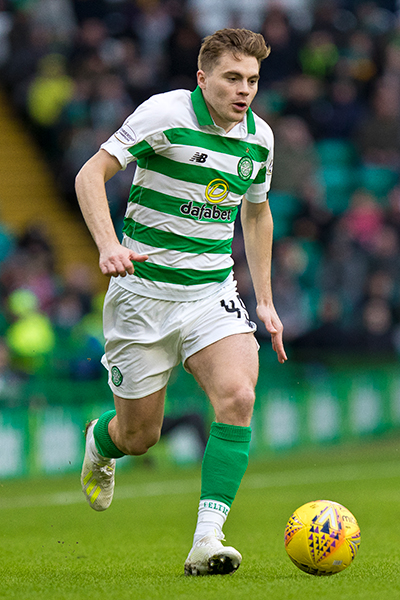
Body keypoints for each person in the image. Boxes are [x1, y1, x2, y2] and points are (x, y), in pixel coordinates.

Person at [75, 27, 287, 577]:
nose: (244, 90)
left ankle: (207, 539)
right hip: (142, 296)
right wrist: (108, 245)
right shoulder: (164, 114)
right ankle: (101, 442)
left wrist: (265, 301)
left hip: (210, 293)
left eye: (252, 80)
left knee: (238, 395)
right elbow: (90, 174)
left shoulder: (260, 137)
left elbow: (256, 213)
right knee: (139, 436)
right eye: (233, 78)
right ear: (202, 78)